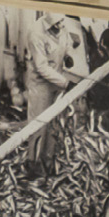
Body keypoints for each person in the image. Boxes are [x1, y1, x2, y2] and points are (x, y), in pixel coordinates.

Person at [23, 11, 70, 178]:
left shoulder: (61, 26)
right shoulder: (36, 32)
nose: (60, 26)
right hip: (41, 85)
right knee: (38, 126)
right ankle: (33, 167)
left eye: (61, 22)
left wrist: (68, 55)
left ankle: (48, 165)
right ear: (48, 23)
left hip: (56, 80)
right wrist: (65, 83)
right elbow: (41, 67)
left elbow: (66, 41)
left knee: (54, 126)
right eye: (56, 24)